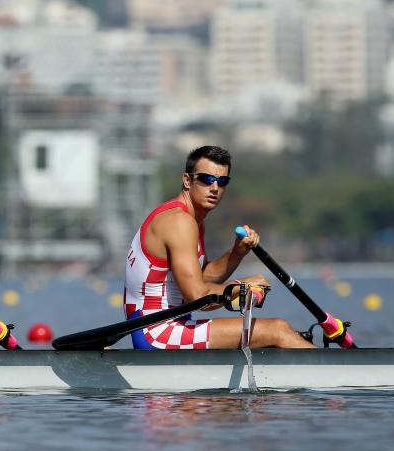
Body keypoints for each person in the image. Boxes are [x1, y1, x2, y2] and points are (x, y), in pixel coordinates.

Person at [123, 145, 313, 349]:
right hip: (157, 331)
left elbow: (200, 278)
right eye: (206, 179)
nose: (215, 187)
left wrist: (237, 253)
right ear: (187, 180)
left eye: (222, 181)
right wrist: (242, 287)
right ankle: (334, 377)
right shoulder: (179, 222)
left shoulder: (192, 220)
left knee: (281, 331)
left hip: (167, 325)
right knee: (276, 330)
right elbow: (197, 297)